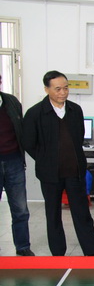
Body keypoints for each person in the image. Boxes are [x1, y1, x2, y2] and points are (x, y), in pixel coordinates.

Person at [21, 70, 94, 256]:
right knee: (53, 215)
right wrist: (45, 159)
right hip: (50, 174)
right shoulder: (35, 113)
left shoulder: (75, 110)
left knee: (82, 214)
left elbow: (78, 137)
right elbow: (28, 142)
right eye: (58, 89)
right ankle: (58, 254)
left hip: (75, 172)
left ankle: (93, 251)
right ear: (47, 89)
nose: (63, 92)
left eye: (66, 88)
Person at [0, 75, 35, 256]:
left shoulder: (11, 102)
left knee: (20, 208)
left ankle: (23, 247)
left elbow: (21, 129)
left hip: (14, 160)